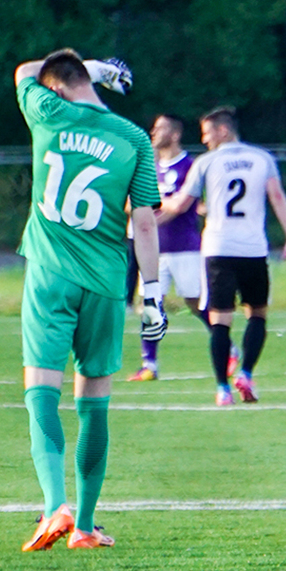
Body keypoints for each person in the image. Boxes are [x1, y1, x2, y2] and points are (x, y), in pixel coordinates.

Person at [14, 51, 166, 552]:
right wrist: (153, 297)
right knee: (94, 405)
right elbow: (142, 223)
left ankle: (54, 502)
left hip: (49, 274)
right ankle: (84, 525)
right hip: (104, 282)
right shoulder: (134, 137)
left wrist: (96, 65)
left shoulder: (48, 111)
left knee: (41, 390)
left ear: (56, 88)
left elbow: (25, 72)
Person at [158, 107, 286, 406]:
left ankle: (223, 389)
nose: (205, 140)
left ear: (223, 131)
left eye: (207, 133)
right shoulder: (262, 158)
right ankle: (246, 372)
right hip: (253, 249)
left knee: (220, 320)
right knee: (257, 314)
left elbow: (181, 204)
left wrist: (152, 205)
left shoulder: (207, 162)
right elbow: (276, 196)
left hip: (219, 249)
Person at [129, 114, 208, 381]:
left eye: (160, 128)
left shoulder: (189, 166)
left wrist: (155, 211)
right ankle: (149, 364)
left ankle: (228, 347)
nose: (153, 132)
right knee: (151, 301)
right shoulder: (147, 167)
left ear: (174, 134)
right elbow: (129, 204)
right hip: (154, 249)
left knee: (195, 303)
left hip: (184, 247)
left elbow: (182, 205)